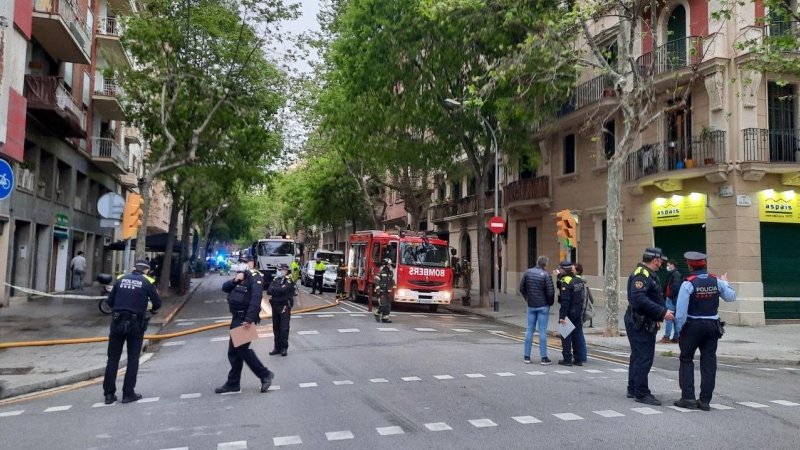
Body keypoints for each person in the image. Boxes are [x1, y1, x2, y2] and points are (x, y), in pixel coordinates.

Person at [673, 251, 737, 411]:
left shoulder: (688, 283)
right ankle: (705, 400)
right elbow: (731, 297)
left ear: (689, 265)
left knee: (686, 359)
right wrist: (725, 282)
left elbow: (680, 312)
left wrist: (678, 329)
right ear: (705, 265)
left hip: (692, 326)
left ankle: (688, 397)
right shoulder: (716, 281)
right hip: (712, 327)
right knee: (709, 361)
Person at [102, 260, 162, 405]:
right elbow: (157, 303)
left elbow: (109, 302)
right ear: (146, 270)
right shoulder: (148, 281)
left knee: (113, 358)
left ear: (134, 268)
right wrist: (150, 309)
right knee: (133, 358)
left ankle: (109, 395)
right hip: (136, 323)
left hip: (117, 322)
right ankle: (128, 393)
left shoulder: (121, 279)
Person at [216, 254, 274, 394]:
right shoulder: (241, 276)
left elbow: (256, 299)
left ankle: (265, 374)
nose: (242, 264)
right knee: (234, 352)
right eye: (241, 262)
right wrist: (235, 280)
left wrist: (249, 319)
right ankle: (233, 383)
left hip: (244, 319)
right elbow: (225, 288)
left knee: (242, 350)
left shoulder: (255, 277)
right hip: (236, 317)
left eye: (245, 262)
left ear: (252, 263)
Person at [625, 247, 673, 406]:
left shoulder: (647, 274)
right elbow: (639, 299)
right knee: (644, 357)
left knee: (638, 356)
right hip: (640, 322)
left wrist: (657, 316)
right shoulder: (642, 274)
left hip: (644, 320)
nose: (662, 265)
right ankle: (641, 393)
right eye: (661, 261)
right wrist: (661, 312)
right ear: (656, 260)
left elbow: (652, 297)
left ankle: (633, 388)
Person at [519, 255, 555, 365]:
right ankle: (544, 358)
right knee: (542, 331)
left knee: (529, 330)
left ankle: (526, 356)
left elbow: (522, 288)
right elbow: (550, 292)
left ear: (537, 262)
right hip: (543, 305)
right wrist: (550, 303)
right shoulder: (546, 275)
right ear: (546, 264)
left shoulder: (527, 272)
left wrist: (527, 298)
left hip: (531, 305)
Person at [557, 261, 585, 367]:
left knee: (566, 335)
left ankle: (567, 359)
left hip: (569, 311)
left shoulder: (566, 282)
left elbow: (565, 301)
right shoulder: (578, 280)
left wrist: (562, 316)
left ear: (564, 270)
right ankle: (578, 359)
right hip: (578, 310)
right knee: (577, 335)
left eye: (561, 269)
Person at [268, 264, 294, 357]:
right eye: (279, 270)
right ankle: (277, 348)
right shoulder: (275, 279)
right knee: (276, 327)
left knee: (284, 328)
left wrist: (276, 289)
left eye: (282, 270)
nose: (280, 271)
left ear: (286, 271)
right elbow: (269, 291)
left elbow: (285, 290)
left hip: (284, 307)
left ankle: (284, 348)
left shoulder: (289, 280)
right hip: (275, 305)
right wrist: (278, 289)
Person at [660, 260, 683, 344]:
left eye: (668, 265)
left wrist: (668, 296)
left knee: (669, 318)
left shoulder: (675, 275)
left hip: (671, 299)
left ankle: (667, 337)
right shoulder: (672, 274)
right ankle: (676, 337)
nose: (667, 266)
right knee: (674, 318)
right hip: (673, 299)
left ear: (672, 265)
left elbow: (676, 287)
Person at [574, 263, 590, 363]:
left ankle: (582, 356)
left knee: (579, 334)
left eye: (573, 269)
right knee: (578, 333)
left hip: (578, 312)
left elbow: (583, 300)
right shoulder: (578, 281)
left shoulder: (580, 283)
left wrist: (581, 314)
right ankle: (579, 354)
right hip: (577, 312)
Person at [373, 258, 395, 323]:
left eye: (390, 264)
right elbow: (377, 281)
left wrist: (394, 287)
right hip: (382, 292)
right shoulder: (380, 272)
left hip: (388, 292)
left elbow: (392, 281)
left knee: (388, 306)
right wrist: (378, 289)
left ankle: (385, 319)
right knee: (383, 305)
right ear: (385, 264)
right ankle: (376, 314)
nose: (389, 265)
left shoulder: (390, 272)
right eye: (388, 264)